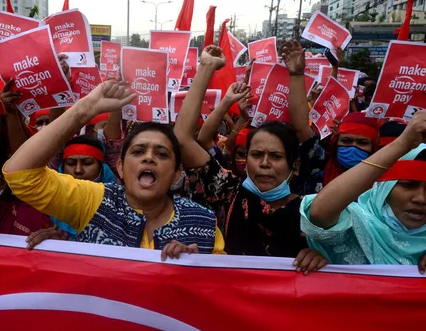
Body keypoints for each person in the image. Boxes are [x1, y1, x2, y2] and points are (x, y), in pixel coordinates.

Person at [3, 81, 225, 260]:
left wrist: (198, 267)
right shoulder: (94, 201)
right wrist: (83, 110)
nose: (149, 157)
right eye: (138, 152)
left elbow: (223, 290)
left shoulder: (203, 220)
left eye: (161, 154)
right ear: (120, 167)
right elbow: (20, 175)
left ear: (177, 173)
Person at [174, 45, 327, 274]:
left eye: (276, 156)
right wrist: (206, 67)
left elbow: (302, 130)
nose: (264, 163)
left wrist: (322, 257)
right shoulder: (228, 192)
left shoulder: (313, 210)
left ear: (294, 165)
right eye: (256, 154)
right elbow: (183, 138)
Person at [301, 111, 426, 273]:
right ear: (385, 189)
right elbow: (318, 213)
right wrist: (403, 143)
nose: (421, 199)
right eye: (408, 185)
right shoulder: (355, 223)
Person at [283, 40, 379, 192]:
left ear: (374, 147)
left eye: (362, 142)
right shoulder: (320, 164)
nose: (353, 147)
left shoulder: (384, 184)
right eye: (346, 140)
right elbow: (301, 126)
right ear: (335, 141)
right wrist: (296, 75)